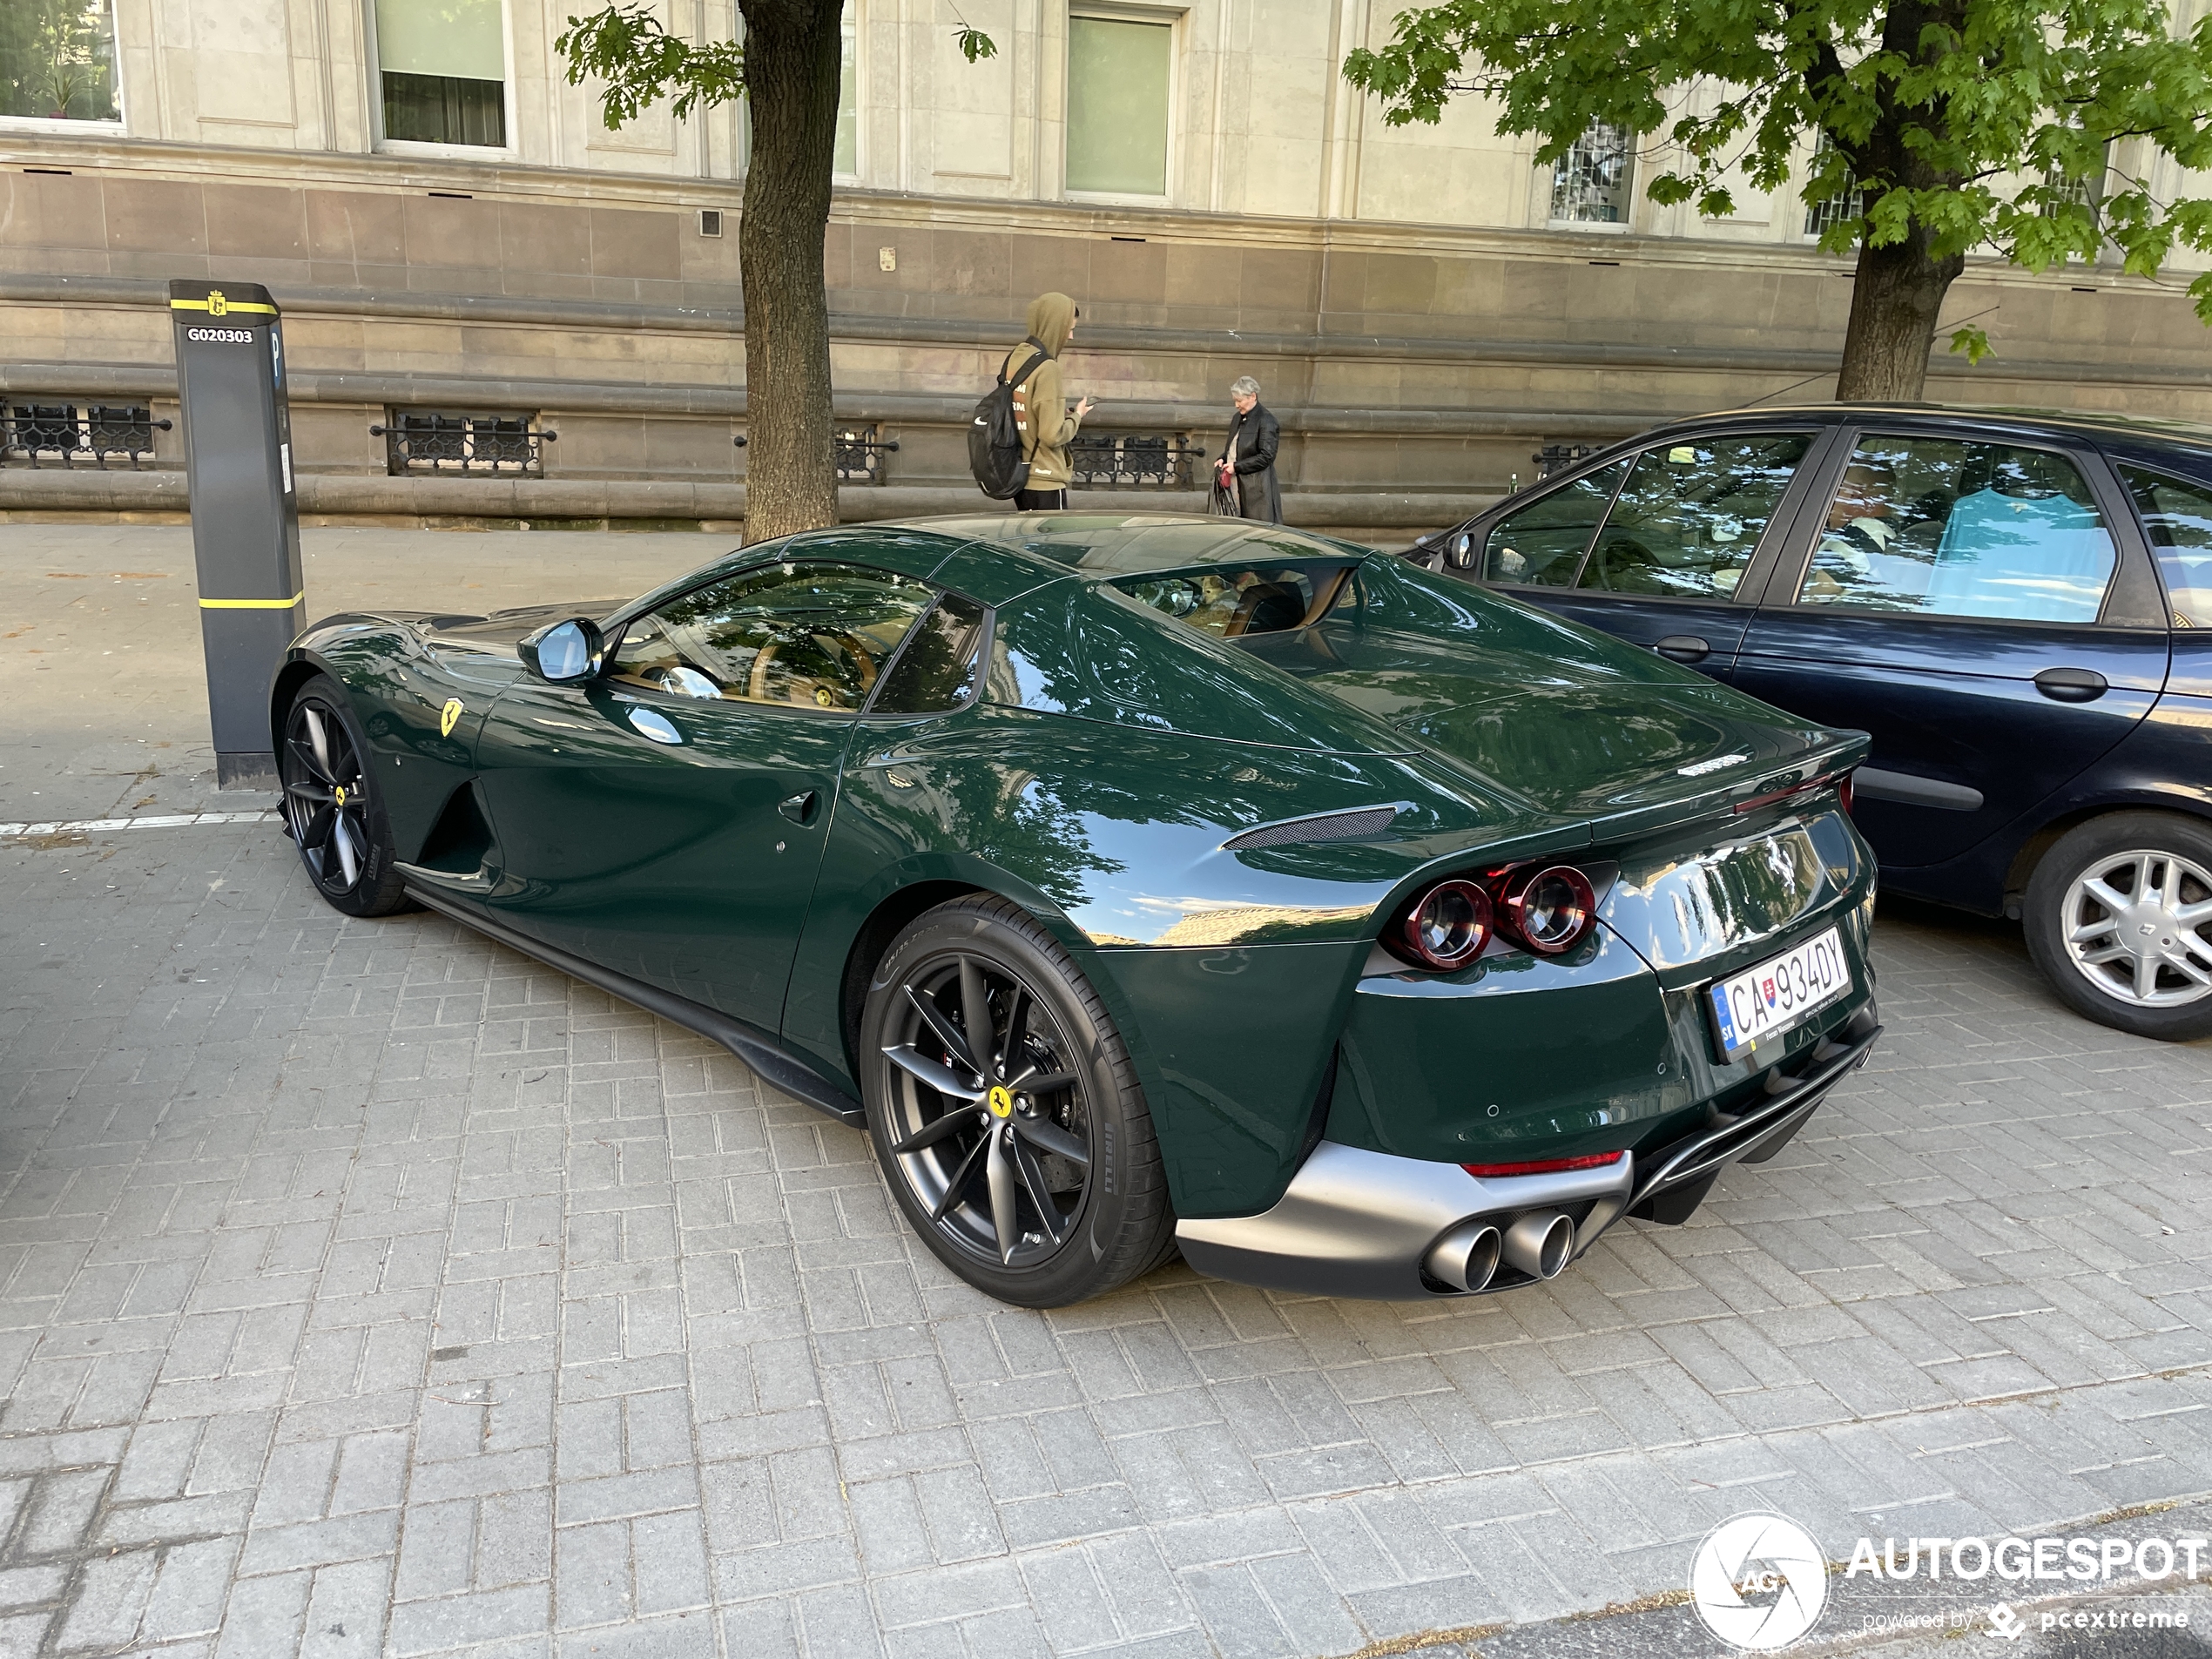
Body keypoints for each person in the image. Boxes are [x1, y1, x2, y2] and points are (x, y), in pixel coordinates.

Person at [1003, 293, 1093, 511]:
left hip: (1019, 473)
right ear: (1055, 327)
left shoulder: (1017, 357)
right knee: (1050, 544)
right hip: (1045, 478)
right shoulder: (1048, 368)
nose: (1070, 337)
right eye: (1069, 329)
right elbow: (1052, 435)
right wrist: (1077, 416)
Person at [1213, 377, 1282, 523]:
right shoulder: (1237, 418)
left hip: (1256, 490)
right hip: (1234, 486)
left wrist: (1236, 467)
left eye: (1239, 400)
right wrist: (1223, 458)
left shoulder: (1267, 420)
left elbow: (1266, 456)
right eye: (1235, 400)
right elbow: (1235, 447)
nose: (1236, 405)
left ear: (1253, 396)